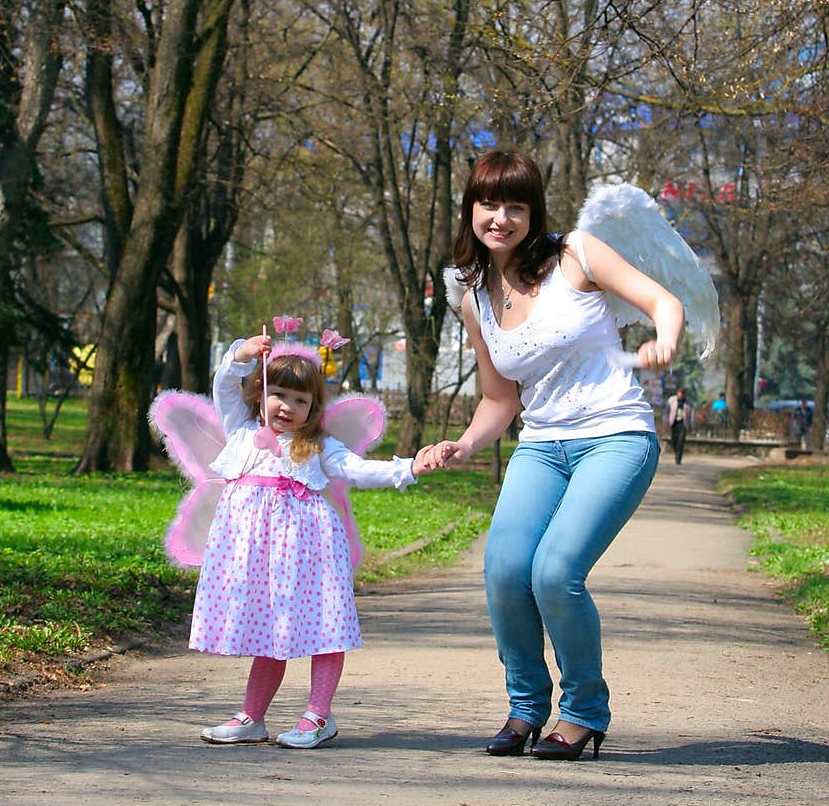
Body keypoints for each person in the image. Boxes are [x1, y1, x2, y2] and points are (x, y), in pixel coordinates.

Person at [424, 149, 684, 762]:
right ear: (471, 210)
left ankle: (585, 712)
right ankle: (524, 709)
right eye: (490, 204)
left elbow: (664, 303)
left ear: (533, 212)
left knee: (555, 572)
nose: (502, 218)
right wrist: (462, 443)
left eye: (517, 205)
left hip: (615, 436)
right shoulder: (474, 294)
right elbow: (499, 397)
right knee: (505, 571)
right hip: (541, 446)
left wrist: (663, 340)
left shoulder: (578, 255)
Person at [191, 331, 437, 750]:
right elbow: (223, 383)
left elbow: (359, 469)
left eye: (301, 400)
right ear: (260, 393)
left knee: (325, 626)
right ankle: (253, 716)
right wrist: (241, 353)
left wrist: (410, 467)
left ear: (313, 408)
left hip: (307, 550)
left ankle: (318, 715)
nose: (287, 406)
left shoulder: (318, 446)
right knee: (268, 630)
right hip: (253, 555)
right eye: (279, 394)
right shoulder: (241, 431)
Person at [665, 386, 693, 465]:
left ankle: (678, 458)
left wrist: (691, 425)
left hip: (683, 423)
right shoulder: (671, 400)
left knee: (681, 441)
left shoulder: (689, 402)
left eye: (682, 394)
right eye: (679, 394)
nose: (680, 395)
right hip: (674, 422)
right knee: (674, 440)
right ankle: (676, 451)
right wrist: (666, 421)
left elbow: (692, 414)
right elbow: (666, 412)